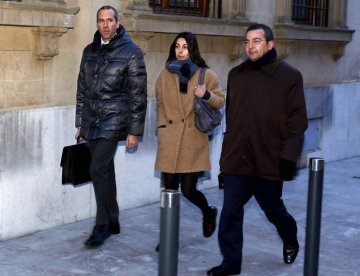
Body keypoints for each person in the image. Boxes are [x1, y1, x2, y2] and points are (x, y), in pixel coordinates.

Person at [207, 23, 308, 275]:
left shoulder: (289, 76)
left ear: (270, 44)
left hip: (269, 159)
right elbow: (233, 119)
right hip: (237, 160)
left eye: (256, 41)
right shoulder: (236, 74)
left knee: (273, 210)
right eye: (247, 41)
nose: (250, 46)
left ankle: (290, 237)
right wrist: (225, 162)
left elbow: (297, 122)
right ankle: (231, 264)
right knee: (230, 211)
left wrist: (288, 157)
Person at [75, 5, 147, 249]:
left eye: (109, 20)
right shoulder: (89, 51)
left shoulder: (132, 53)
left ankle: (102, 224)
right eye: (101, 21)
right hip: (92, 121)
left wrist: (134, 131)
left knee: (97, 169)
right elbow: (82, 90)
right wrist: (80, 124)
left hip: (114, 121)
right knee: (105, 170)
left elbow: (138, 95)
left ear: (117, 23)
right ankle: (113, 218)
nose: (105, 25)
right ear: (97, 24)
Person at [155, 32, 225, 245]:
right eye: (177, 46)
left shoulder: (206, 74)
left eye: (185, 46)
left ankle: (208, 211)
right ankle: (167, 236)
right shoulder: (164, 75)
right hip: (170, 138)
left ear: (192, 49)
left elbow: (220, 102)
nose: (180, 50)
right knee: (168, 191)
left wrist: (205, 95)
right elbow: (159, 103)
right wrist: (162, 128)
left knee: (188, 190)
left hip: (192, 140)